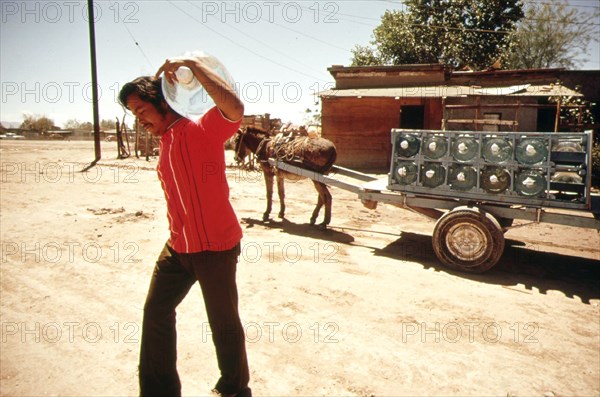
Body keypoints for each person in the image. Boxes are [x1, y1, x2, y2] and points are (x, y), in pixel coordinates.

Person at [118, 55, 251, 397]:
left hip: (215, 248)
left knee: (223, 323)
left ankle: (234, 387)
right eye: (134, 116)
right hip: (178, 247)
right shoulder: (164, 143)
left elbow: (234, 108)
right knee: (156, 312)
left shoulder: (201, 129)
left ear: (161, 102)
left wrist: (193, 65)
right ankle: (158, 391)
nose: (139, 121)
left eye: (141, 111)